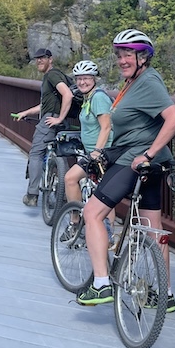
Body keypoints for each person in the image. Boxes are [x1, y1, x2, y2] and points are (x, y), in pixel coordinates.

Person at [75, 29, 175, 310]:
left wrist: (147, 153)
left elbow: (174, 118)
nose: (122, 60)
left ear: (143, 57)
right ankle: (165, 295)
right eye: (120, 55)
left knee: (92, 213)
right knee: (152, 228)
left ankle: (101, 284)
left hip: (136, 160)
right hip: (149, 163)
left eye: (128, 54)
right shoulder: (133, 82)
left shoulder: (148, 81)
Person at [60, 60, 115, 239]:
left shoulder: (98, 98)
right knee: (75, 181)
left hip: (102, 154)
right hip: (91, 152)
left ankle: (108, 235)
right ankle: (76, 222)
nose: (82, 82)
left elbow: (106, 127)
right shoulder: (87, 98)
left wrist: (98, 152)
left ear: (94, 79)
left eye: (86, 78)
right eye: (79, 79)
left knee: (103, 195)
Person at [14, 48, 75, 207]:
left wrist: (58, 118)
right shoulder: (57, 76)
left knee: (35, 153)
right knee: (60, 154)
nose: (39, 61)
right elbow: (45, 105)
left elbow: (67, 94)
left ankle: (32, 194)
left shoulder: (52, 75)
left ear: (51, 59)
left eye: (43, 58)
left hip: (51, 120)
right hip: (61, 121)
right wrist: (26, 112)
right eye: (37, 59)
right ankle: (64, 193)